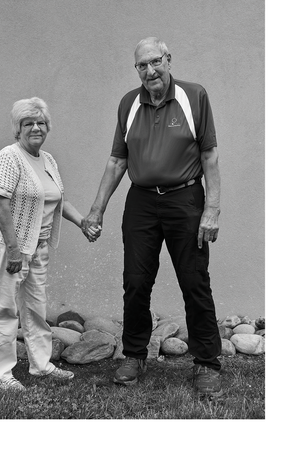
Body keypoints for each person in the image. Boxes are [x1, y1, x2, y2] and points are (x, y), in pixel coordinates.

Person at [82, 37, 223, 397]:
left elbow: (210, 157)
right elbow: (117, 161)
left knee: (194, 281)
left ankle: (206, 363)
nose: (150, 71)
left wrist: (212, 209)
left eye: (155, 62)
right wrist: (97, 210)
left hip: (186, 200)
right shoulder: (129, 103)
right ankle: (134, 355)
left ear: (168, 59)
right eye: (142, 65)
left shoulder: (194, 97)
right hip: (142, 202)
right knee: (135, 281)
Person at [0, 97, 99, 392]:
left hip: (39, 247)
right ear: (18, 128)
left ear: (47, 127)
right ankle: (0, 374)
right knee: (4, 309)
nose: (36, 127)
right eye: (28, 123)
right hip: (12, 247)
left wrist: (83, 222)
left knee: (35, 308)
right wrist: (13, 249)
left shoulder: (47, 160)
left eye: (40, 122)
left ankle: (41, 365)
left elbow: (59, 199)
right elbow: (1, 204)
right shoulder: (8, 157)